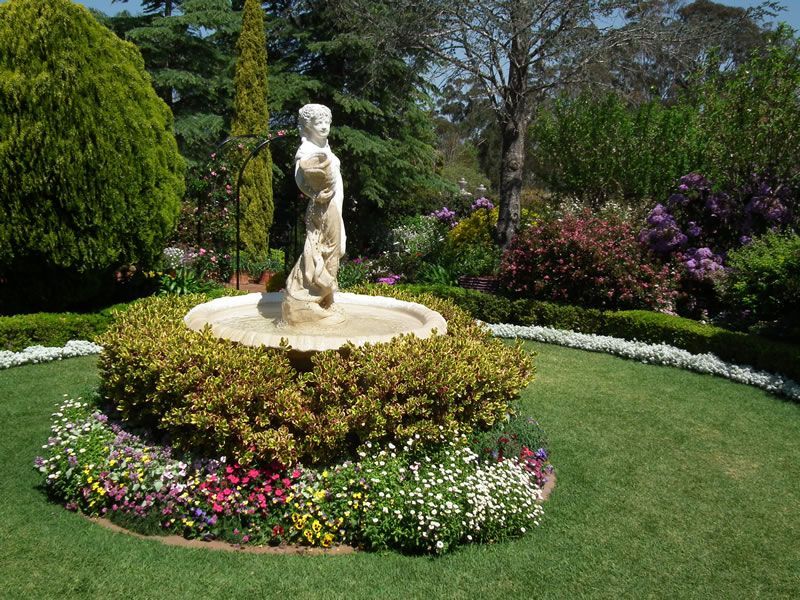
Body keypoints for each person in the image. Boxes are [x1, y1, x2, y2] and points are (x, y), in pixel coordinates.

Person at [281, 103, 346, 325]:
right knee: (319, 250)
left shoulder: (326, 148)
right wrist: (315, 194)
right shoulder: (306, 151)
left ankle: (324, 299)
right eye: (319, 123)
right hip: (322, 207)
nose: (325, 126)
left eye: (327, 122)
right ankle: (303, 296)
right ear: (308, 126)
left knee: (333, 251)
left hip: (334, 206)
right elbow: (300, 179)